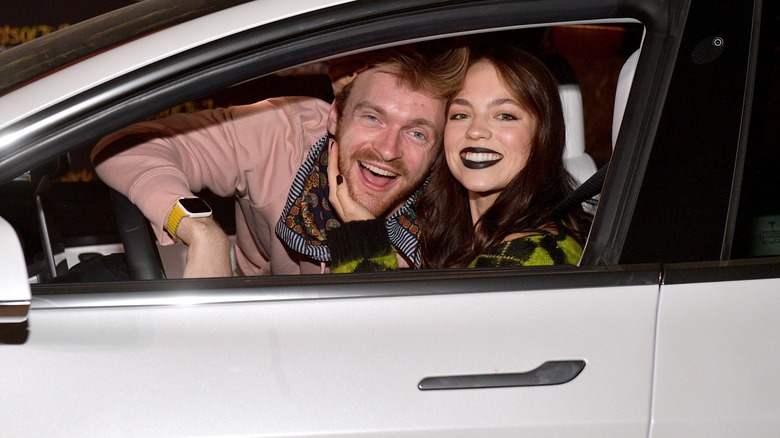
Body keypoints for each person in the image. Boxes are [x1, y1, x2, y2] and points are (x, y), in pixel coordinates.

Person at [91, 43, 469, 277]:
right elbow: (126, 146)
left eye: (417, 133)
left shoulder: (455, 212)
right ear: (335, 116)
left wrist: (362, 239)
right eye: (372, 117)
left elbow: (374, 346)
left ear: (439, 149)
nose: (389, 150)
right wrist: (200, 232)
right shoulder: (285, 134)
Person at [327, 45, 593, 272]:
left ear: (544, 135)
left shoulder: (529, 257)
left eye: (505, 116)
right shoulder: (459, 233)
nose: (475, 130)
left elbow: (377, 333)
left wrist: (362, 237)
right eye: (461, 115)